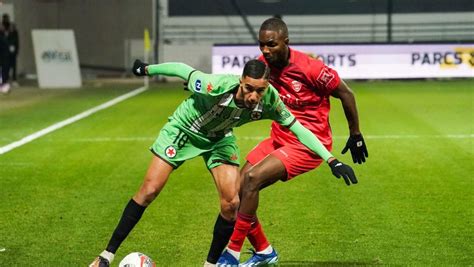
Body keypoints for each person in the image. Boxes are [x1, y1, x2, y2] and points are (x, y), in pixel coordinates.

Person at [89, 59, 356, 267]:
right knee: (149, 191)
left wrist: (331, 159)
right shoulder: (215, 85)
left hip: (220, 137)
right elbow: (183, 70)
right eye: (249, 88)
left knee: (231, 204)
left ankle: (211, 263)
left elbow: (299, 129)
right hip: (185, 129)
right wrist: (146, 69)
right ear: (241, 81)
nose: (253, 96)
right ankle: (106, 256)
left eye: (259, 91)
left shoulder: (271, 99)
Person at [216, 17, 368, 266]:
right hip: (279, 136)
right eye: (261, 44)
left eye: (271, 44)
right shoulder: (263, 66)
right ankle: (265, 251)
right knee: (238, 190)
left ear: (286, 41)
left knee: (253, 180)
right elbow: (240, 86)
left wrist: (356, 134)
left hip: (308, 144)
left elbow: (346, 94)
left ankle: (231, 254)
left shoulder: (311, 69)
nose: (265, 50)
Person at [2, 14, 19, 87]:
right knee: (5, 67)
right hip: (4, 52)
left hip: (12, 52)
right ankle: (5, 80)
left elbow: (16, 42)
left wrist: (16, 50)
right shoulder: (2, 31)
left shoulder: (14, 31)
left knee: (13, 66)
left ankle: (14, 80)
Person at [0, 21, 10, 94]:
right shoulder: (2, 37)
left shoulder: (4, 36)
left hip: (5, 57)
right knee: (3, 73)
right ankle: (3, 86)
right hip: (3, 57)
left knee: (4, 72)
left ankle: (4, 86)